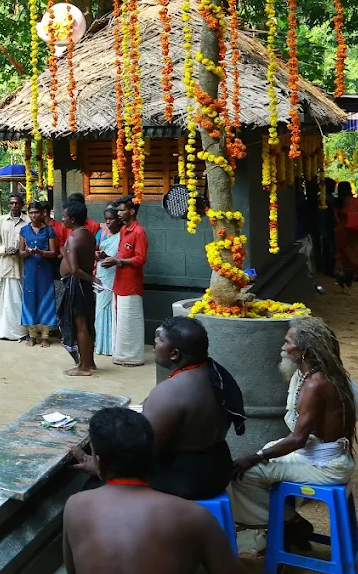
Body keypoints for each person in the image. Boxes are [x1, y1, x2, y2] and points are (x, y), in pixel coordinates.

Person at [62, 408, 241, 574]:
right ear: (151, 456)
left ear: (99, 462)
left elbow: (72, 570)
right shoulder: (194, 516)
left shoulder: (75, 506)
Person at [230, 316, 358, 543]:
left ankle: (289, 523)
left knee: (242, 474)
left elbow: (297, 439)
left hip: (327, 466)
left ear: (304, 351)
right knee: (270, 451)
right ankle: (285, 522)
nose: (283, 346)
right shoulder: (328, 373)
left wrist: (255, 457)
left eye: (288, 342)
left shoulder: (316, 383)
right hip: (334, 457)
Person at [141, 316, 245, 499]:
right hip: (219, 469)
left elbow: (145, 451)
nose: (155, 342)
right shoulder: (218, 374)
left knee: (98, 484)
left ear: (174, 354)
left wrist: (99, 465)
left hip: (185, 480)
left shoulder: (170, 392)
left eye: (160, 339)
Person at [58, 202, 100, 377]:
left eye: (64, 216)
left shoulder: (75, 238)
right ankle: (89, 361)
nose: (62, 219)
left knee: (80, 324)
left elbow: (75, 269)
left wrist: (91, 278)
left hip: (76, 284)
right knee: (86, 323)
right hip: (82, 284)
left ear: (72, 219)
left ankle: (83, 367)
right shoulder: (89, 235)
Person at [112, 196, 148, 366]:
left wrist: (118, 261)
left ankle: (134, 357)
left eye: (121, 210)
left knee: (131, 320)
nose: (118, 213)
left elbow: (140, 259)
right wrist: (108, 258)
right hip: (120, 282)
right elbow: (122, 255)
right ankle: (122, 355)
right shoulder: (124, 230)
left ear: (132, 211)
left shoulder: (139, 232)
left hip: (132, 284)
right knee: (122, 320)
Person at [0, 192, 27, 341]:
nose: (14, 206)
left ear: (22, 205)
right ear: (8, 205)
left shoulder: (28, 221)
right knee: (6, 302)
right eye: (11, 203)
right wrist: (4, 250)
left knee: (19, 300)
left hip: (21, 266)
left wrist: (19, 251)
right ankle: (3, 329)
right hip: (5, 266)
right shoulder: (1, 221)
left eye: (17, 203)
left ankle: (20, 330)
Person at [18, 201, 58, 347]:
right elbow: (20, 252)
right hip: (30, 271)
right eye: (31, 213)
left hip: (45, 271)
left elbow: (54, 253)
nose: (34, 215)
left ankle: (45, 336)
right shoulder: (24, 230)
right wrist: (28, 252)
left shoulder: (49, 231)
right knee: (30, 300)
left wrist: (41, 252)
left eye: (36, 212)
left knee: (46, 300)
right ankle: (32, 335)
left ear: (43, 214)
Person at [92, 205, 123, 356]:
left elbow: (124, 256)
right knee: (100, 308)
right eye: (106, 220)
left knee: (113, 308)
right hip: (102, 273)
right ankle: (101, 344)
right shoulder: (101, 234)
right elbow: (94, 249)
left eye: (111, 219)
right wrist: (98, 255)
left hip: (116, 274)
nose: (108, 223)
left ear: (119, 219)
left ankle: (112, 345)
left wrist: (110, 257)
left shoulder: (123, 235)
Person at [334, 180, 358, 289]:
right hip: (357, 231)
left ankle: (344, 275)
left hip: (343, 230)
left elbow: (335, 217)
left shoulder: (337, 203)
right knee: (356, 250)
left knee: (343, 252)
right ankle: (357, 272)